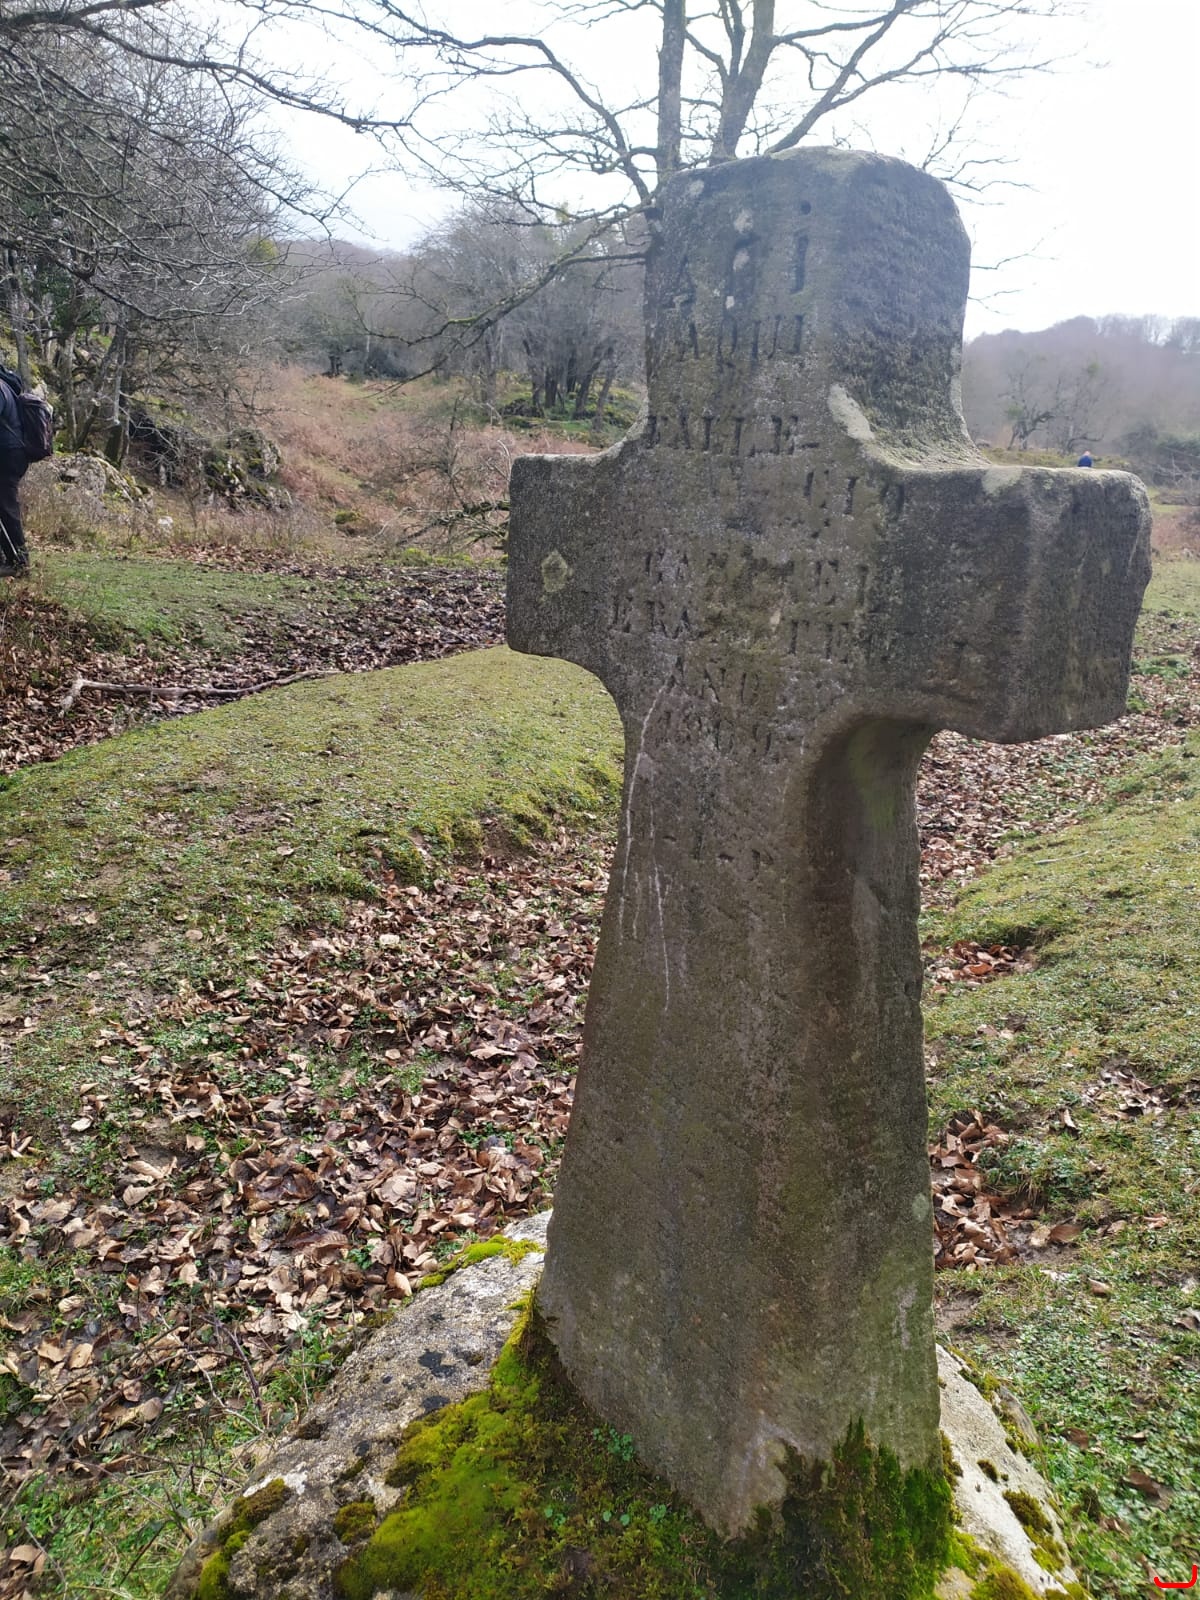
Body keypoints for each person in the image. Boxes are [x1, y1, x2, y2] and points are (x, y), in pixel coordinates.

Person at [0, 365, 29, 577]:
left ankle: (20, 562)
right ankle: (8, 559)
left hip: (7, 456)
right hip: (13, 454)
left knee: (6, 506)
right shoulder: (6, 385)